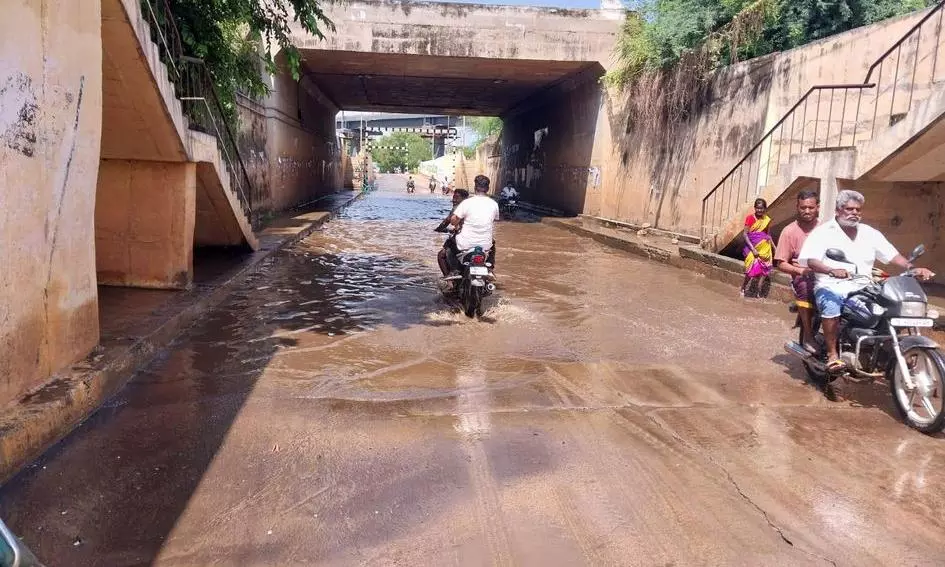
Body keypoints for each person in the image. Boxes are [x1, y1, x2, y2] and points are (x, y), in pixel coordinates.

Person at [798, 189, 935, 373]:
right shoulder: (823, 232)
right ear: (838, 210)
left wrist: (911, 268)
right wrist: (831, 270)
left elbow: (892, 255)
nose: (854, 213)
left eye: (858, 210)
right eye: (849, 209)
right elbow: (812, 260)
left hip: (864, 285)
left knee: (889, 308)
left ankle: (885, 348)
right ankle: (832, 355)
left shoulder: (870, 233)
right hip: (832, 285)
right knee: (831, 306)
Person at [774, 190, 820, 351]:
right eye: (803, 207)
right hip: (803, 275)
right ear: (797, 207)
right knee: (805, 288)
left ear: (818, 207)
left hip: (825, 273)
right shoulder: (789, 231)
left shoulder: (826, 229)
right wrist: (800, 271)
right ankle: (808, 336)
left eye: (811, 207)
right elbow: (781, 263)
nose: (807, 211)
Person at [448, 175, 499, 275]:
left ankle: (455, 270)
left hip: (466, 244)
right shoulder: (494, 204)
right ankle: (490, 269)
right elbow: (494, 220)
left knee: (449, 245)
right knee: (493, 244)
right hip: (485, 245)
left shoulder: (466, 203)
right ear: (487, 188)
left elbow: (453, 221)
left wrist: (454, 220)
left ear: (475, 187)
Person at [741, 198, 776, 298]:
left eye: (761, 208)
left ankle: (758, 292)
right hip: (752, 248)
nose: (759, 210)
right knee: (750, 269)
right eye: (757, 208)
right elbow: (745, 234)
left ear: (765, 208)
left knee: (764, 270)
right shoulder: (750, 218)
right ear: (755, 208)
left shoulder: (766, 219)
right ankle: (743, 288)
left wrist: (774, 247)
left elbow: (768, 235)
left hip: (765, 249)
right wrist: (753, 249)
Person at [436, 189, 470, 277]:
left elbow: (446, 222)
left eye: (457, 198)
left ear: (464, 199)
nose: (454, 200)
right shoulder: (474, 207)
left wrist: (437, 230)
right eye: (453, 197)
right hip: (479, 239)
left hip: (463, 238)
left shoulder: (458, 208)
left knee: (442, 254)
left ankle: (449, 278)